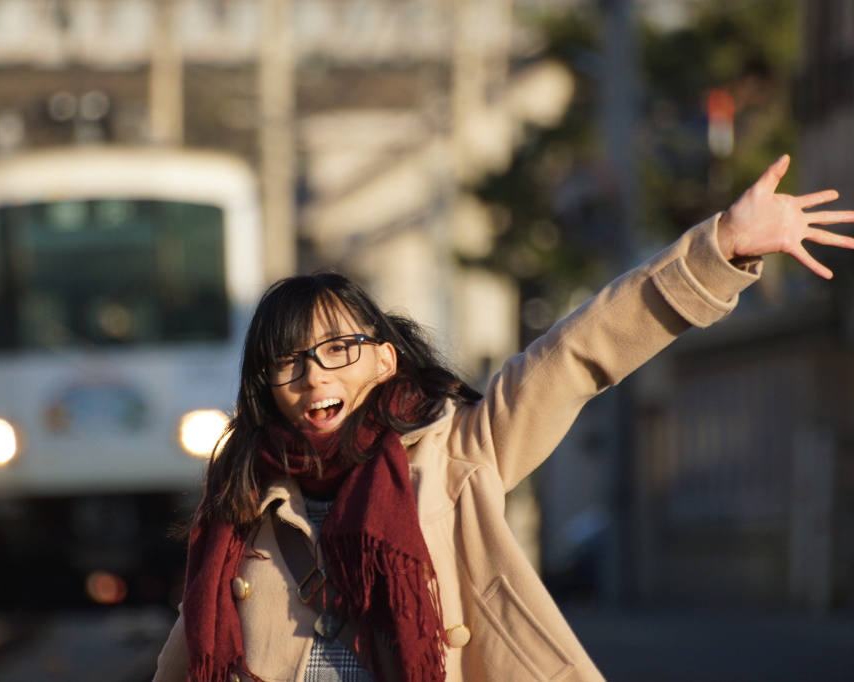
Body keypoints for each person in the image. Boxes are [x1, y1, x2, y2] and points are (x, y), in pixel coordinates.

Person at [152, 155, 854, 682]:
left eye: (340, 349)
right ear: (267, 389)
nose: (315, 377)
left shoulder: (461, 449)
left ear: (385, 362)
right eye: (289, 363)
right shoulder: (243, 503)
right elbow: (188, 651)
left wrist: (720, 248)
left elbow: (577, 353)